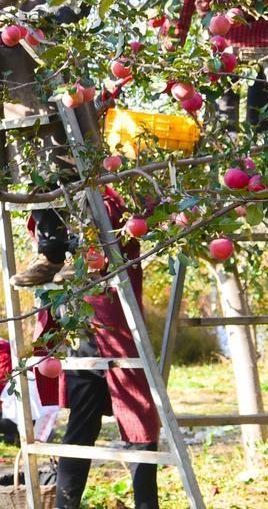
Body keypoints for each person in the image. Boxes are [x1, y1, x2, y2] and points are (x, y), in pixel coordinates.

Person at [34, 187, 160, 509]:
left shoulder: (106, 200)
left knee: (115, 418)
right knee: (121, 419)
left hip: (103, 319)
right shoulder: (94, 200)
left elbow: (145, 211)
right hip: (97, 321)